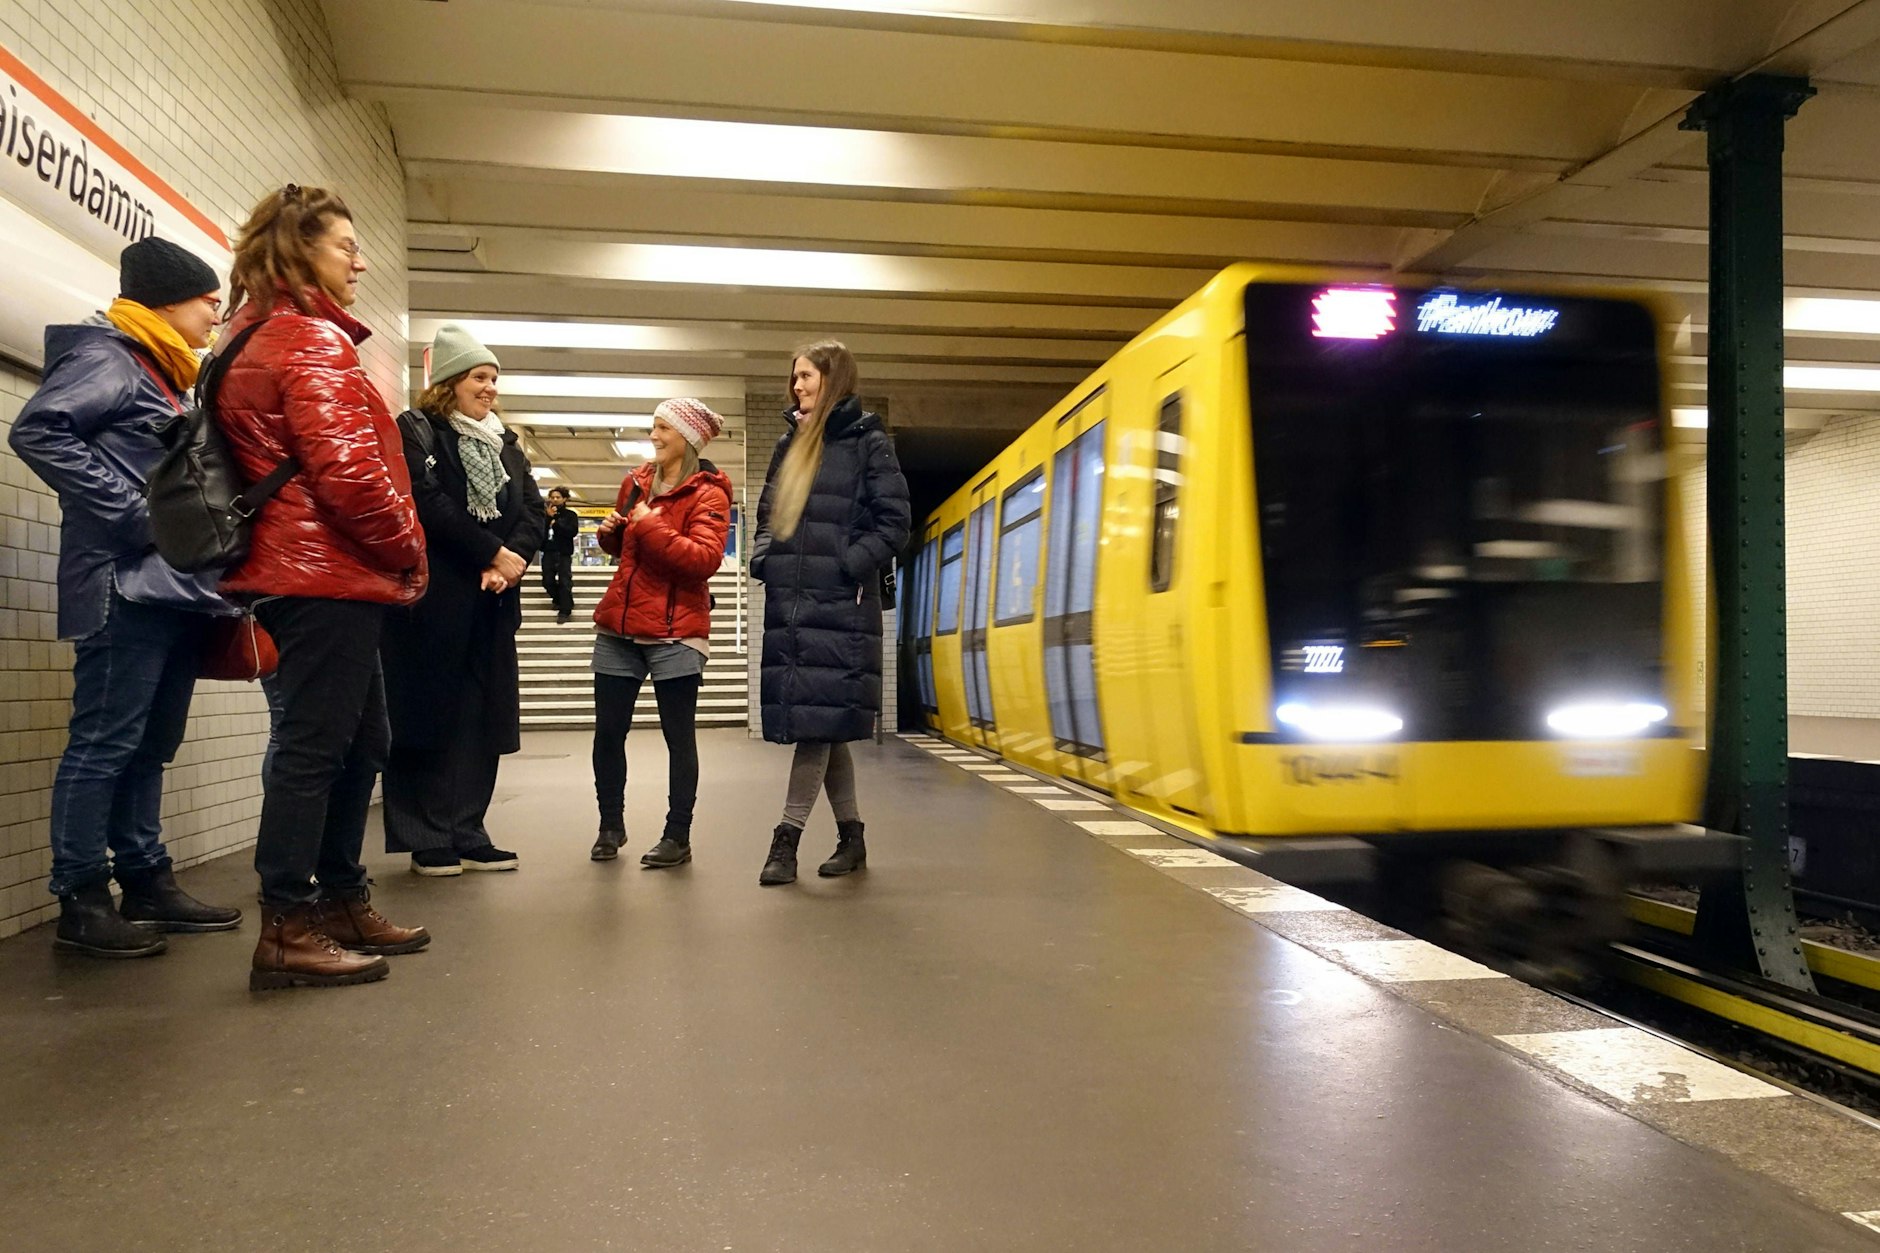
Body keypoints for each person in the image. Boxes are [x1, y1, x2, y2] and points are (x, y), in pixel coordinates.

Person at [213, 184, 430, 990]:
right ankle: (287, 924)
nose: (362, 261)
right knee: (313, 748)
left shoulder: (250, 334)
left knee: (359, 740)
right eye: (346, 247)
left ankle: (340, 896)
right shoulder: (306, 340)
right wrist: (408, 546)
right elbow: (350, 474)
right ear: (300, 251)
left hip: (305, 572)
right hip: (321, 572)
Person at [8, 238, 246, 957]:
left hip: (172, 589)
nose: (215, 313)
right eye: (208, 300)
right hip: (123, 583)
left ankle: (145, 878)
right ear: (168, 301)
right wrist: (136, 515)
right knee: (104, 743)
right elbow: (38, 431)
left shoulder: (166, 372)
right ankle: (81, 896)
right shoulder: (108, 356)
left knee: (149, 743)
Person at [380, 324, 544, 876]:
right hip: (431, 604)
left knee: (482, 717)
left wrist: (510, 561)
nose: (491, 387)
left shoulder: (507, 444)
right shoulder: (419, 431)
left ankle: (468, 829)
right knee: (426, 714)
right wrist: (490, 553)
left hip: (492, 602)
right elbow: (426, 503)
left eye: (495, 378)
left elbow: (533, 513)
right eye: (480, 376)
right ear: (450, 381)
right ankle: (424, 834)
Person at [750, 341, 909, 886]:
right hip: (792, 606)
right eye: (794, 378)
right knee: (826, 724)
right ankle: (853, 838)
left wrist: (847, 565)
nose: (797, 387)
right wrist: (763, 560)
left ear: (833, 379)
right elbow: (769, 513)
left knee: (816, 726)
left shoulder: (868, 443)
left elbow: (894, 523)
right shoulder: (788, 444)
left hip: (841, 606)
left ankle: (786, 840)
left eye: (806, 377)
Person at [589, 399, 732, 867]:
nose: (653, 435)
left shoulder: (709, 494)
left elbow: (703, 561)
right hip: (620, 624)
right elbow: (626, 549)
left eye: (663, 427)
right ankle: (610, 826)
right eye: (653, 426)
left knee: (678, 736)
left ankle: (678, 835)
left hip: (676, 630)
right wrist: (612, 533)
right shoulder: (635, 483)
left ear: (687, 437)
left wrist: (650, 528)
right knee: (609, 732)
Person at [541, 487, 580, 623]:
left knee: (564, 581)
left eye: (558, 497)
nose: (555, 500)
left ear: (564, 499)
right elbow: (540, 532)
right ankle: (560, 600)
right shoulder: (544, 515)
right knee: (547, 581)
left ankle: (564, 610)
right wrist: (548, 518)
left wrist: (556, 524)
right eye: (552, 497)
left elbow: (572, 531)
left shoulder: (570, 515)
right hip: (548, 552)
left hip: (563, 553)